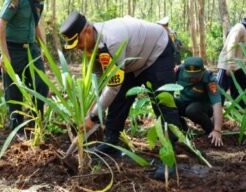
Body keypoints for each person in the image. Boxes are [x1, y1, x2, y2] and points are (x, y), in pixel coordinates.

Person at [60, 11, 182, 179]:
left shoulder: (111, 42)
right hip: (131, 60)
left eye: (79, 42)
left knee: (162, 103)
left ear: (88, 31)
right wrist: (90, 107)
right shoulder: (92, 45)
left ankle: (170, 159)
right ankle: (111, 143)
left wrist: (93, 117)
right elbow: (100, 80)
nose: (79, 48)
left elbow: (112, 87)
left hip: (156, 52)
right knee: (119, 99)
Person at [0, 0, 48, 131]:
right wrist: (4, 53)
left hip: (32, 49)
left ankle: (35, 122)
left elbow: (35, 25)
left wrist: (44, 48)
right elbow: (1, 25)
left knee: (41, 84)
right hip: (12, 50)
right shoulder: (16, 1)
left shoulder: (39, 3)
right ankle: (16, 129)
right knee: (14, 91)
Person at [175, 57, 223, 147]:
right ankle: (182, 129)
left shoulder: (210, 79)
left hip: (203, 107)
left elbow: (217, 104)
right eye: (189, 77)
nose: (192, 79)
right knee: (169, 103)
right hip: (184, 102)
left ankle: (210, 131)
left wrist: (217, 130)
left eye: (195, 77)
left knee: (192, 110)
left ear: (202, 71)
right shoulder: (179, 70)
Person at [217, 17, 246, 108]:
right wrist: (230, 64)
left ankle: (239, 115)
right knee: (220, 90)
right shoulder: (239, 28)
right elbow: (231, 45)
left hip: (238, 66)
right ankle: (214, 115)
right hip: (227, 65)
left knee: (240, 91)